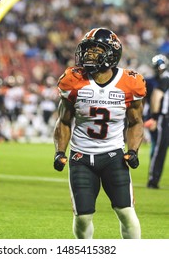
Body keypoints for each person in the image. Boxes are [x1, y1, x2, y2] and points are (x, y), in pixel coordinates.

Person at [53, 28, 146, 239]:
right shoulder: (73, 79)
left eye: (96, 50)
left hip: (113, 155)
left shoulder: (129, 83)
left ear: (111, 54)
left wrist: (133, 150)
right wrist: (59, 151)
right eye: (87, 50)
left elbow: (136, 122)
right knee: (83, 216)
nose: (89, 55)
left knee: (126, 213)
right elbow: (64, 121)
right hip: (81, 157)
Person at [146, 54, 169, 189]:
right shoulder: (165, 79)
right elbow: (156, 96)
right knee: (159, 150)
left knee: (159, 150)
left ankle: (153, 179)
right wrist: (154, 117)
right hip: (164, 118)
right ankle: (153, 180)